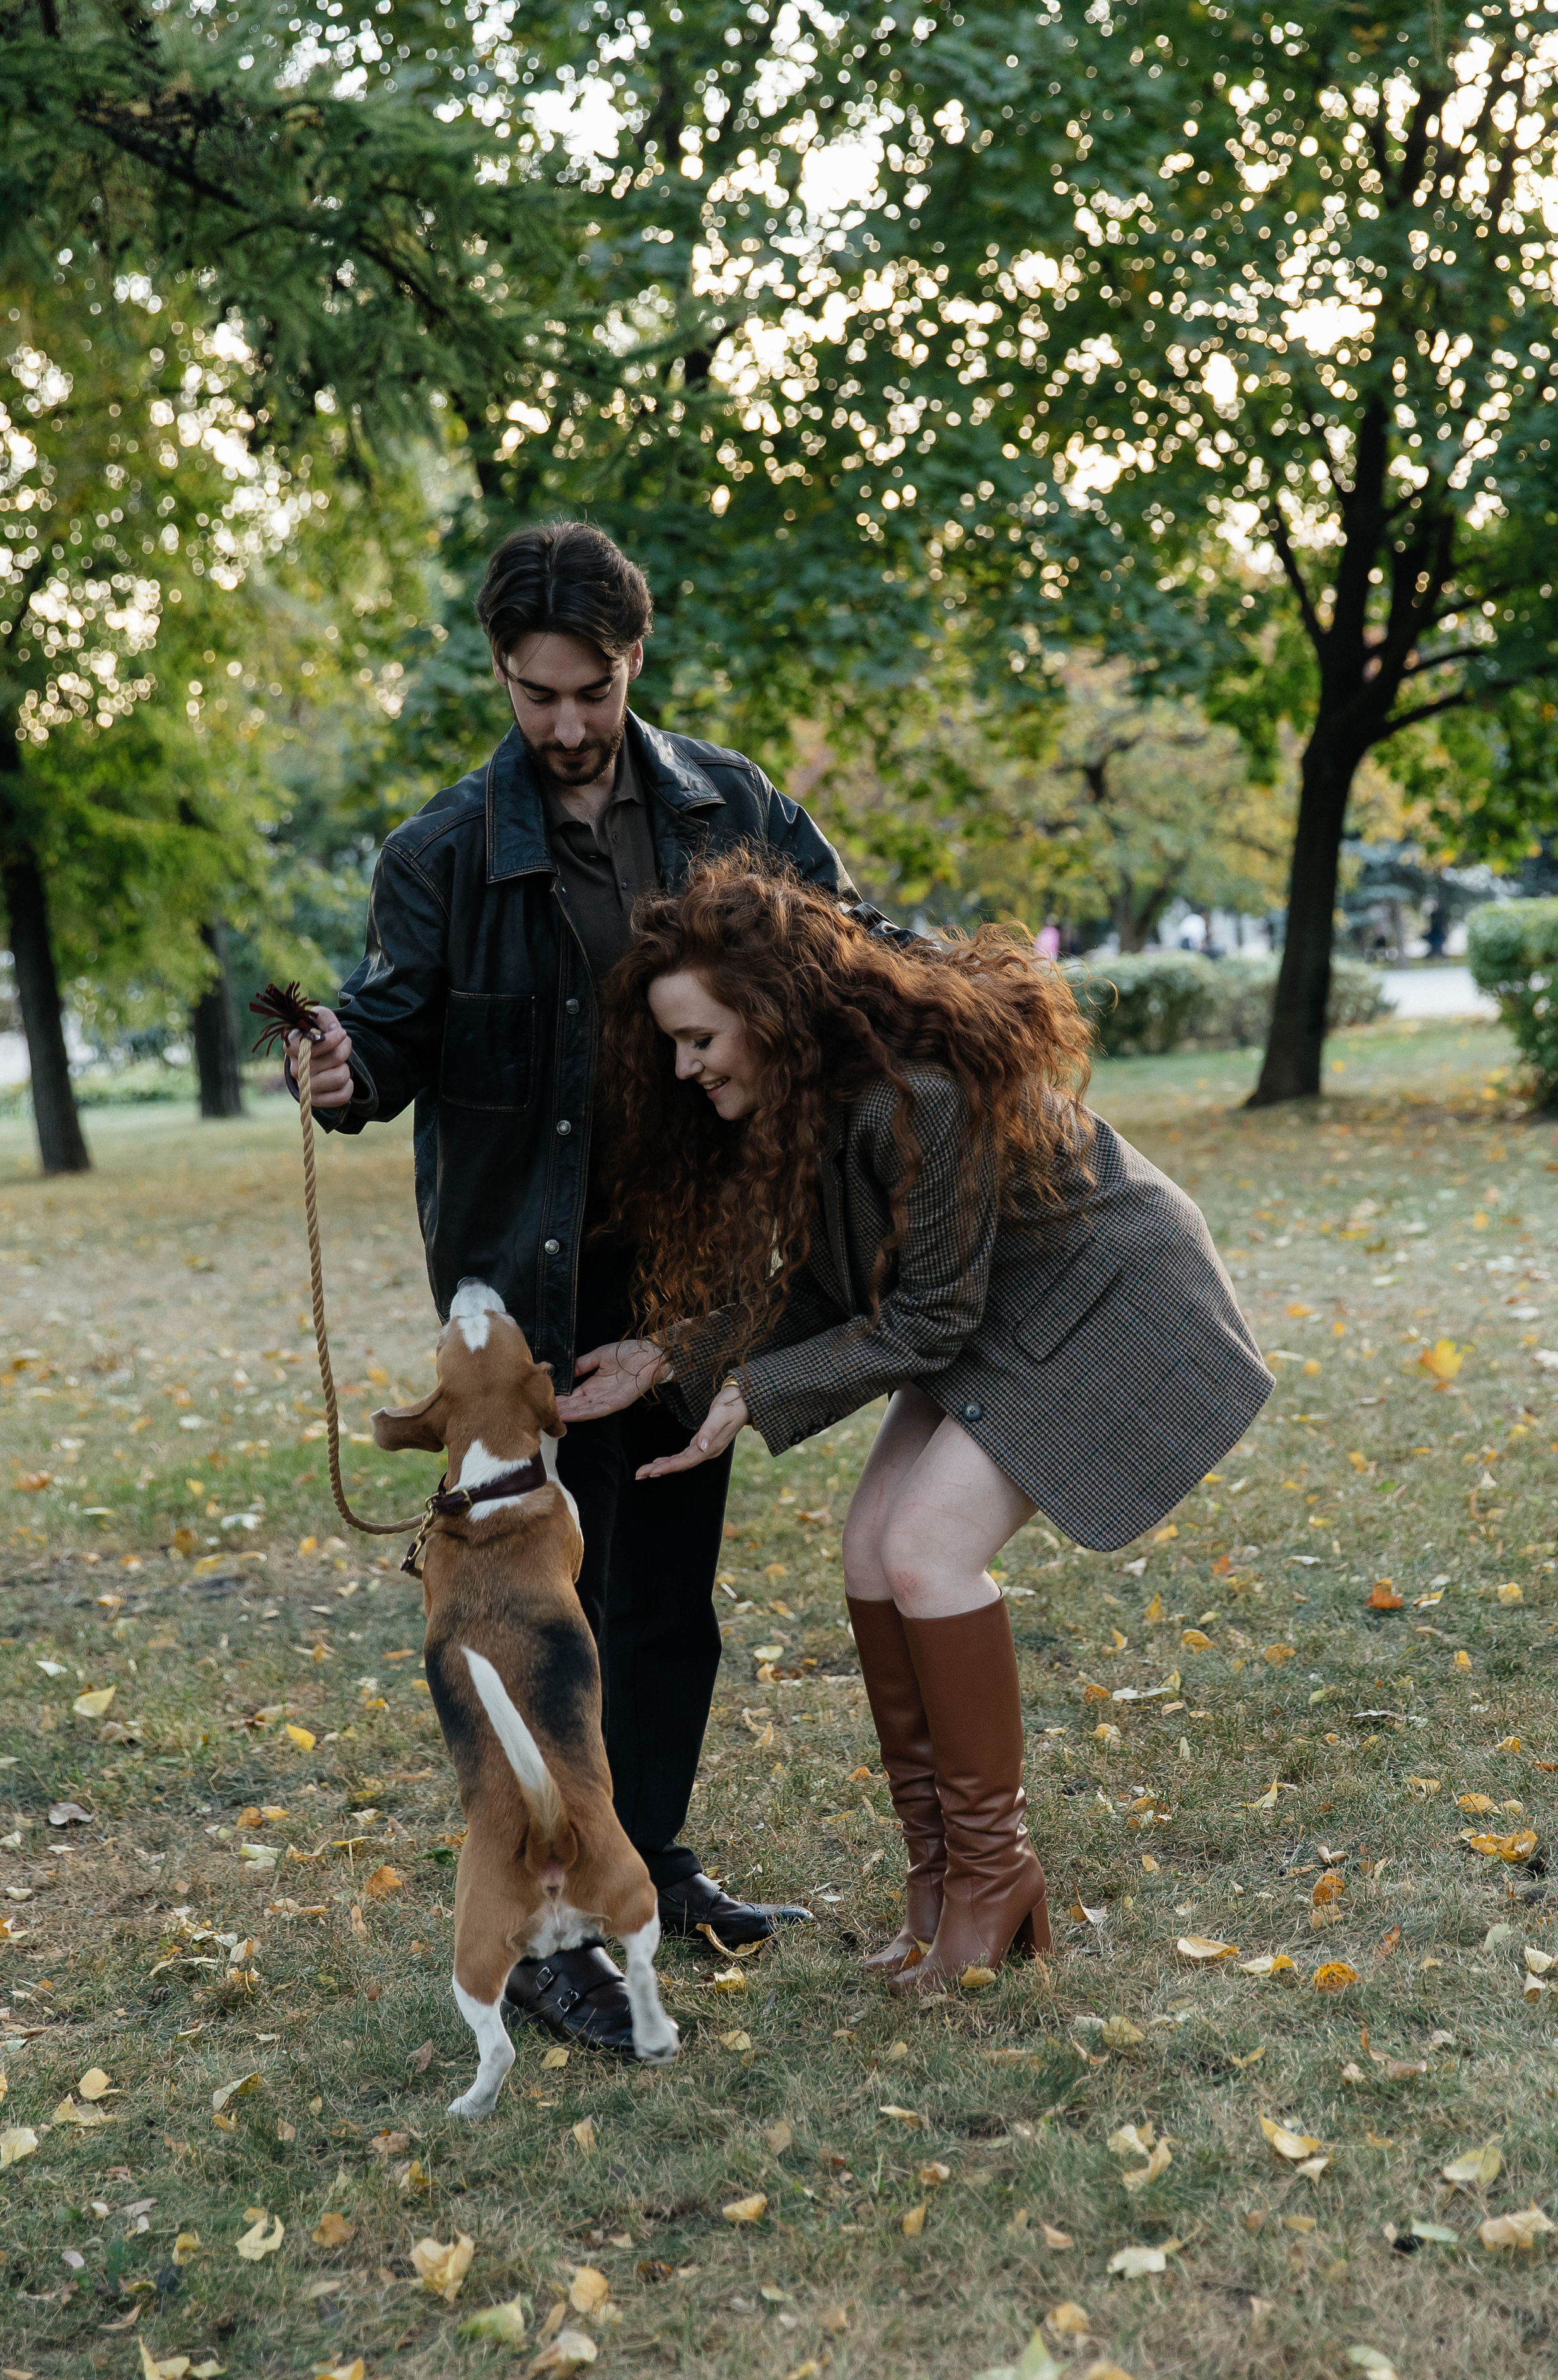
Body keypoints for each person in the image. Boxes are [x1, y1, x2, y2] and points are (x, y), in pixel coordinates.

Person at [282, 523, 900, 2058]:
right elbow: (388, 1030)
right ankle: (547, 1923)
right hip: (530, 1293)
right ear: (498, 669)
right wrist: (347, 1067)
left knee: (662, 1600)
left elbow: (844, 941)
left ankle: (652, 1864)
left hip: (691, 1271)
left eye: (593, 690)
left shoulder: (731, 806)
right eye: (532, 692)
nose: (563, 724)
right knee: (535, 1632)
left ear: (637, 662)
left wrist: (944, 986)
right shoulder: (439, 851)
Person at [559, 861, 1273, 1992]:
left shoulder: (916, 1100)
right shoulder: (818, 1103)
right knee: (869, 1553)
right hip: (995, 1308)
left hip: (1103, 1301)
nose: (686, 1069)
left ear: (767, 1014)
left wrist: (750, 1394)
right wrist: (674, 1354)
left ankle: (997, 1876)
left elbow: (927, 1314)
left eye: (699, 1040)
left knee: (927, 1552)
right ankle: (939, 1878)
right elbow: (847, 1287)